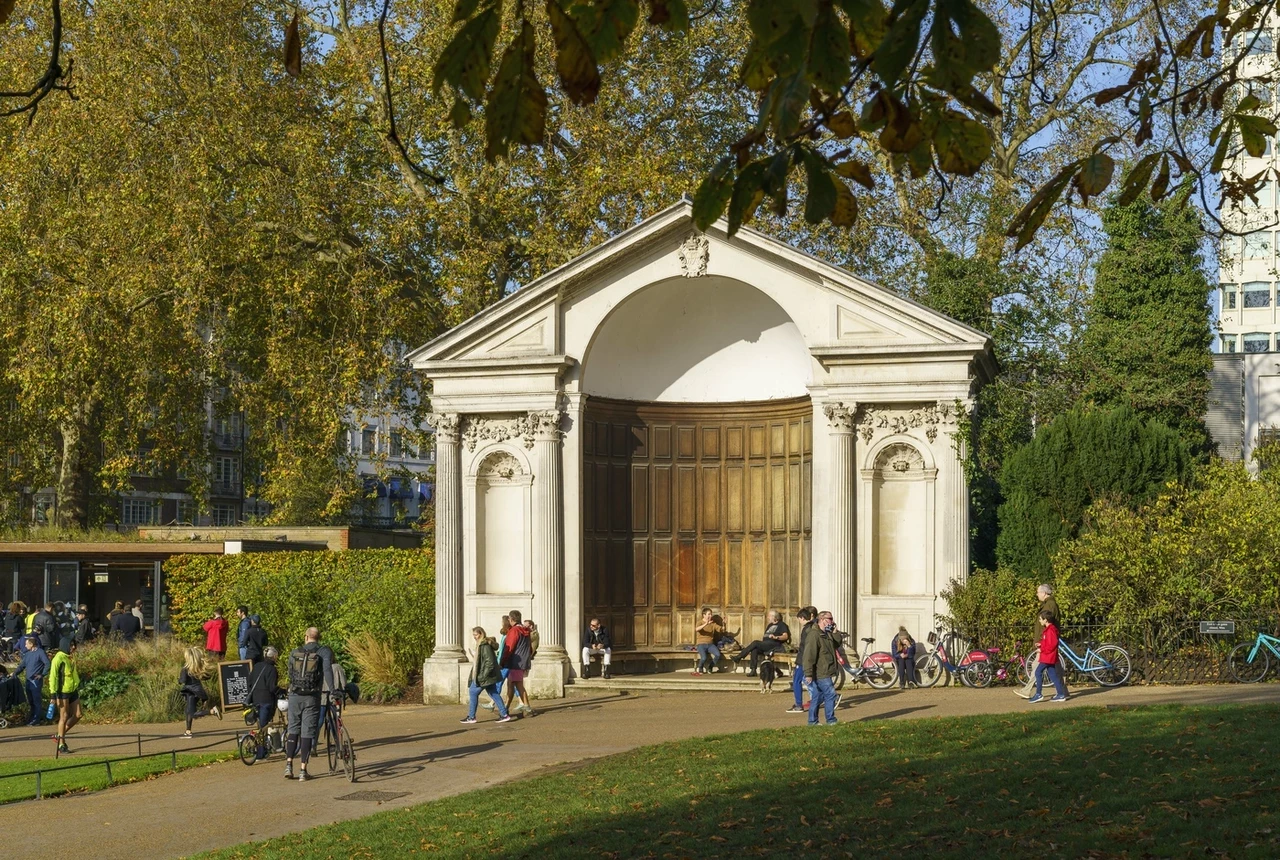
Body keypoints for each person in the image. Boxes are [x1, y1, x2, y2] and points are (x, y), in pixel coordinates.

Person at [283, 627, 334, 780]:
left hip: (294, 695)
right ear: (319, 637)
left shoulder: (295, 652)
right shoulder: (324, 651)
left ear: (306, 637)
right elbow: (327, 671)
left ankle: (288, 765)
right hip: (312, 697)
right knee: (307, 733)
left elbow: (290, 673)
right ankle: (303, 771)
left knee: (293, 729)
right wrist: (333, 689)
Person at [1018, 584, 1065, 699]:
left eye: (1038, 592)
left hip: (1045, 644)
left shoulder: (1049, 605)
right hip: (1046, 643)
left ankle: (1029, 691)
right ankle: (1063, 692)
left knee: (1037, 667)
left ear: (1044, 593)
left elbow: (1046, 624)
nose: (1037, 594)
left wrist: (1041, 642)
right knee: (1054, 669)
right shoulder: (1049, 604)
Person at [462, 627, 512, 723]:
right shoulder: (482, 644)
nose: (474, 637)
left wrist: (483, 676)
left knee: (473, 691)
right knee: (494, 693)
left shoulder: (484, 645)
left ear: (481, 634)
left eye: (476, 635)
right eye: (473, 635)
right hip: (486, 675)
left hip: (484, 675)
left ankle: (471, 717)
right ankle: (504, 714)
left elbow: (489, 662)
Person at [801, 611, 842, 726]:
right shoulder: (814, 635)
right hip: (820, 671)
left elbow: (836, 644)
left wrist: (835, 632)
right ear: (822, 619)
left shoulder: (826, 633)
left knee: (817, 697)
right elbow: (809, 655)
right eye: (830, 618)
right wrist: (808, 673)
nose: (832, 621)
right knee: (831, 694)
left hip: (825, 670)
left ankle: (812, 721)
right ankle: (831, 720)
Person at [246, 646, 283, 761]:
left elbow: (249, 682)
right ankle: (261, 753)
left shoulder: (257, 666)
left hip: (255, 699)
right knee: (264, 727)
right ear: (274, 657)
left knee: (260, 726)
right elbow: (272, 687)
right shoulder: (272, 670)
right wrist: (282, 691)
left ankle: (261, 749)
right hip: (266, 700)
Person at [732, 610, 791, 677]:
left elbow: (786, 636)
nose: (768, 617)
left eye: (769, 616)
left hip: (774, 644)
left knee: (755, 643)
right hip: (765, 645)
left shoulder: (781, 625)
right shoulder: (770, 625)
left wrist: (776, 637)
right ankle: (753, 670)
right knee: (755, 649)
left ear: (774, 617)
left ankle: (739, 657)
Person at [500, 609, 535, 717]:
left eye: (509, 619)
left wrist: (503, 661)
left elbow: (509, 647)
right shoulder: (525, 630)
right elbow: (529, 647)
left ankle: (508, 708)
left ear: (511, 619)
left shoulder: (514, 631)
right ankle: (521, 707)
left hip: (515, 661)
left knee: (514, 685)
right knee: (515, 684)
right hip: (524, 661)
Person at [1029, 609, 1068, 703]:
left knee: (1038, 672)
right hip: (1049, 656)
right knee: (1053, 675)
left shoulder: (1050, 630)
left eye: (1040, 619)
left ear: (1045, 620)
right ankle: (1060, 694)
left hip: (1047, 656)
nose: (1040, 621)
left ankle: (1039, 694)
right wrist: (1041, 644)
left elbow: (1052, 644)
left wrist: (1042, 649)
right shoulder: (1049, 630)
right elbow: (1048, 642)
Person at [179, 646, 218, 738]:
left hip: (190, 692)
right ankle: (188, 731)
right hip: (198, 692)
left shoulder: (185, 669)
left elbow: (182, 680)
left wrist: (179, 680)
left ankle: (212, 711)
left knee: (192, 713)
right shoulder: (196, 668)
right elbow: (206, 677)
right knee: (188, 711)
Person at [50, 642, 82, 753]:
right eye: (71, 645)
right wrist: (53, 695)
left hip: (72, 690)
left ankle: (58, 736)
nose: (73, 647)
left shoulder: (69, 657)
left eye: (74, 645)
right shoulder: (58, 658)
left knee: (78, 715)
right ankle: (61, 745)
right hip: (62, 692)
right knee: (64, 717)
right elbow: (53, 677)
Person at [786, 607, 816, 714]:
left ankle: (798, 704)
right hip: (809, 659)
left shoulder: (806, 629)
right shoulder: (814, 627)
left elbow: (805, 648)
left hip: (804, 660)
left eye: (799, 619)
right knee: (812, 681)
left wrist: (800, 661)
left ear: (803, 618)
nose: (799, 622)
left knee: (796, 681)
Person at [18, 636, 49, 727]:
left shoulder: (40, 652)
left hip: (36, 681)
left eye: (26, 644)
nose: (25, 645)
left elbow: (47, 663)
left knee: (36, 700)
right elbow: (22, 666)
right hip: (28, 681)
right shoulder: (27, 654)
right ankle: (31, 718)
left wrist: (42, 674)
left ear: (31, 644)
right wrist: (14, 673)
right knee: (31, 701)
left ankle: (36, 719)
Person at [693, 607, 724, 675]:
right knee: (704, 657)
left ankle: (710, 667)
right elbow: (697, 629)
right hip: (701, 644)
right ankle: (700, 668)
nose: (710, 616)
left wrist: (724, 624)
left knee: (718, 655)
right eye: (709, 614)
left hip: (710, 644)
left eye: (711, 614)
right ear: (704, 615)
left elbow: (721, 629)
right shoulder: (699, 622)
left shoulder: (712, 624)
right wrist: (706, 624)